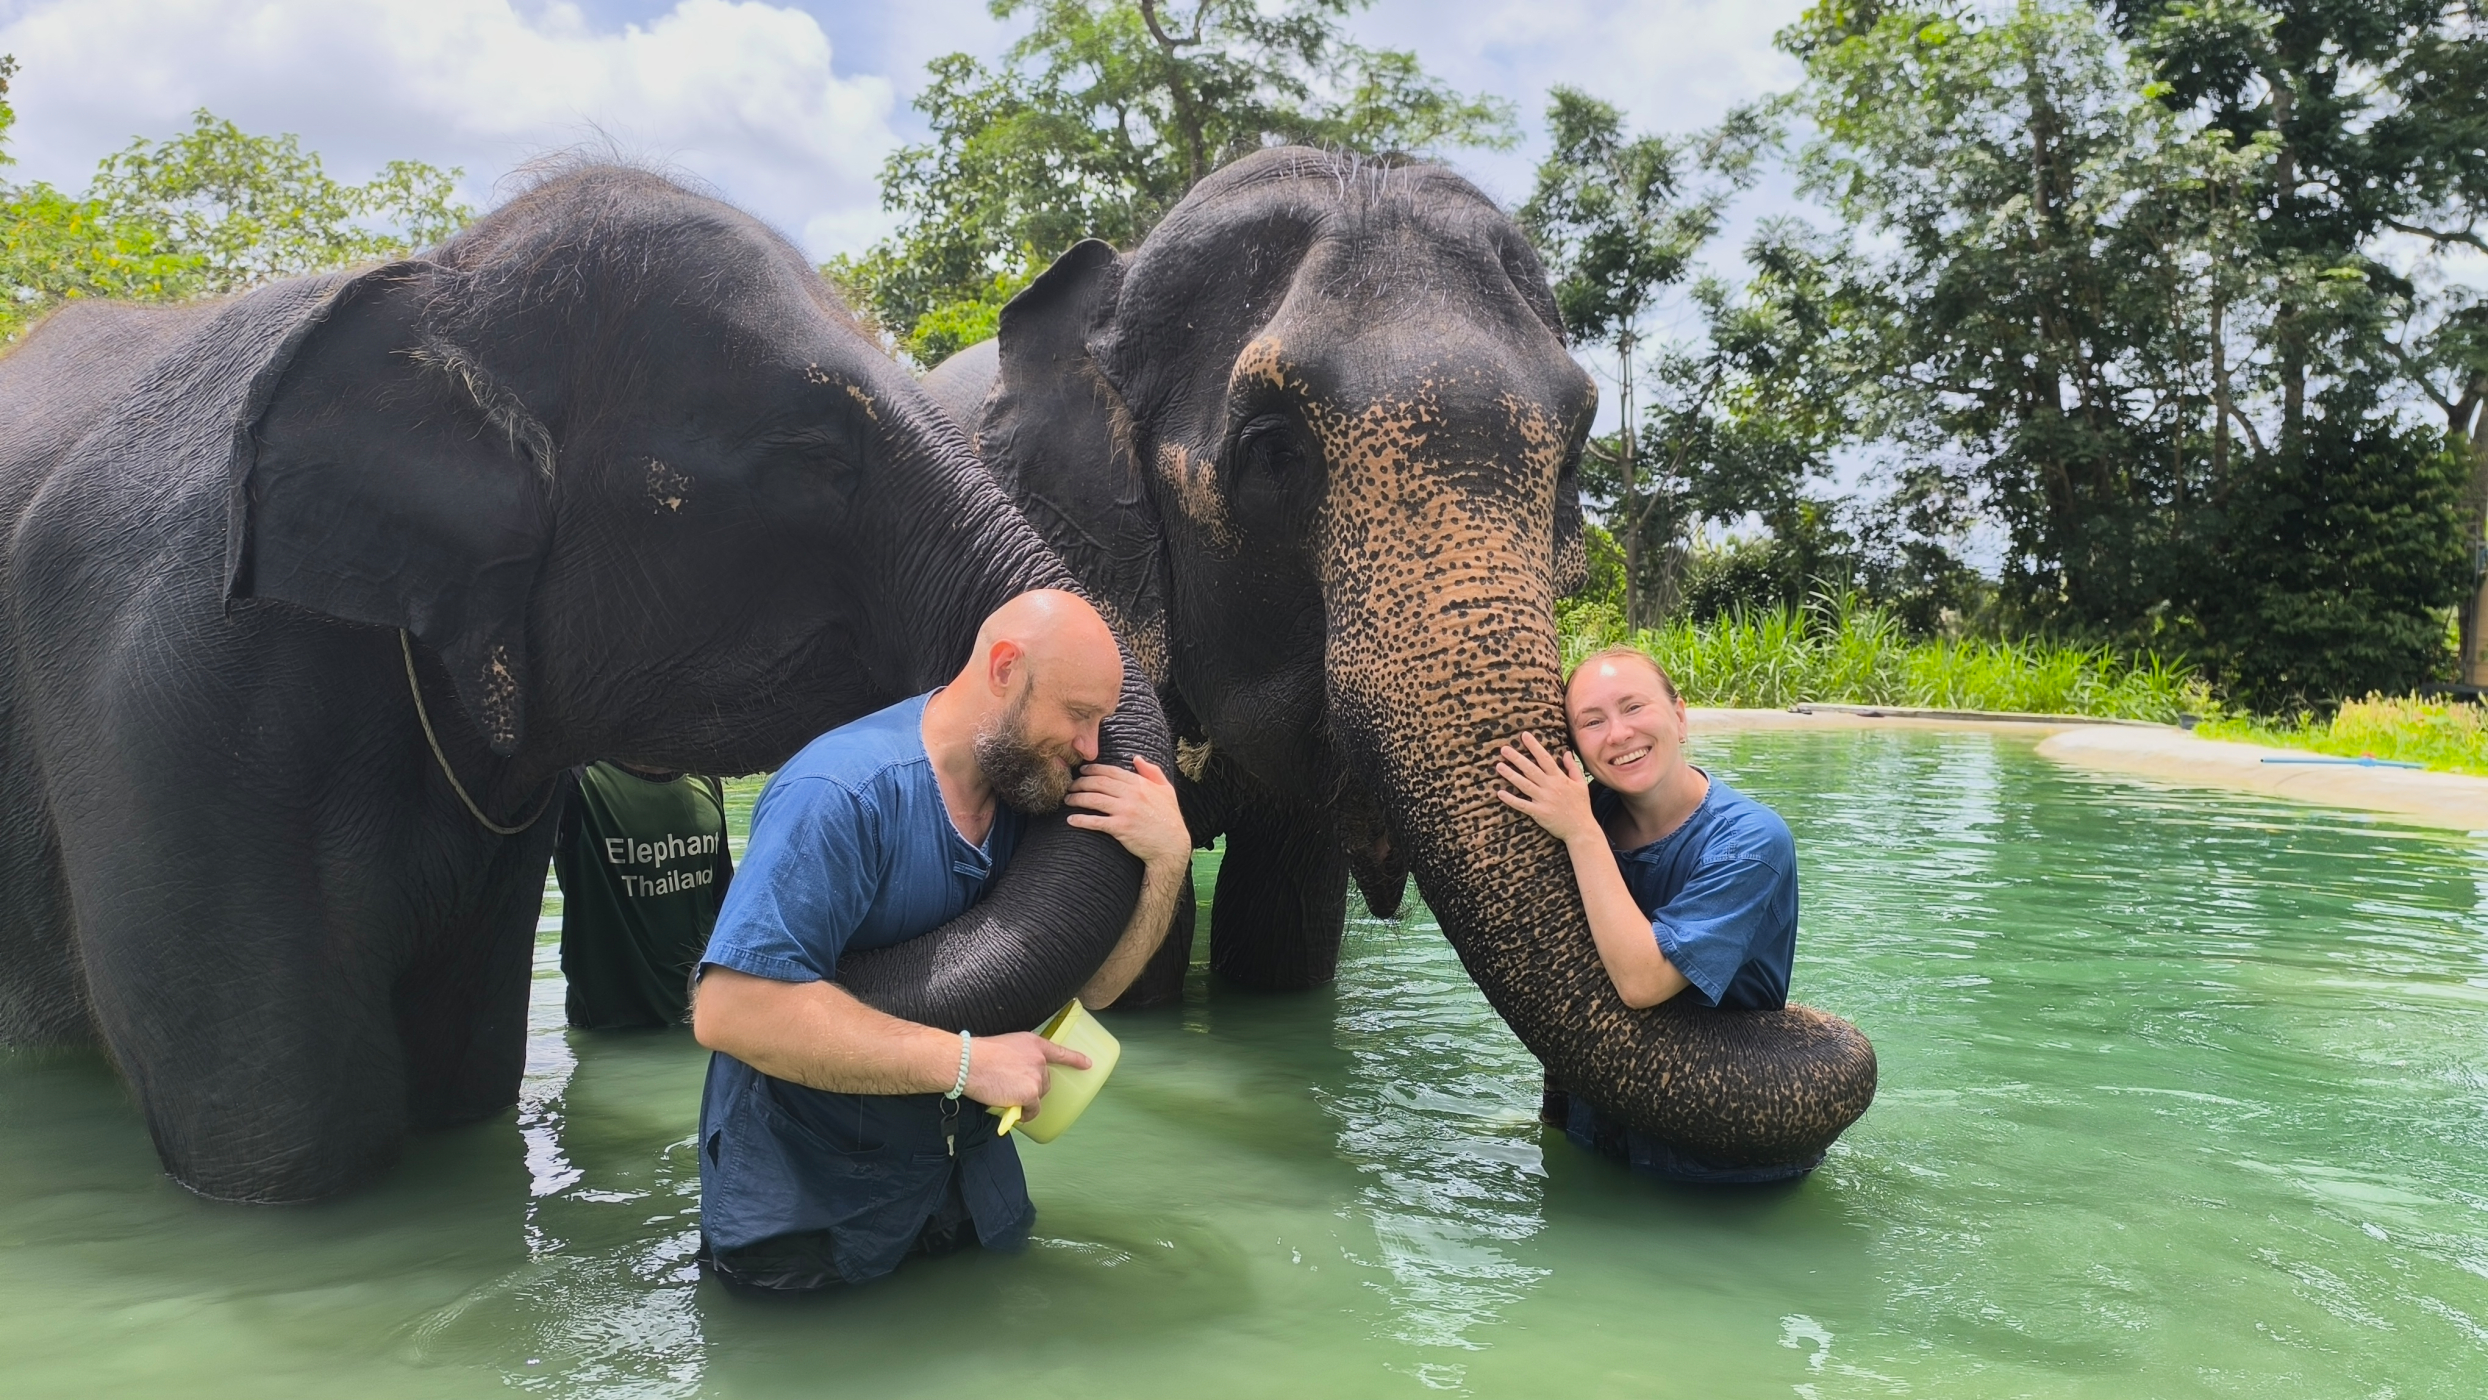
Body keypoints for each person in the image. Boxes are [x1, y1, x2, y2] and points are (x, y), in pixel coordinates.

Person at [689, 590, 1192, 1290]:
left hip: (968, 1203)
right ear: (1005, 669)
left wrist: (1170, 860)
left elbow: (1099, 986)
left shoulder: (1033, 795)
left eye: (1103, 722)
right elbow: (730, 1010)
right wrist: (964, 1063)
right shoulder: (840, 794)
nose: (1089, 746)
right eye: (1079, 715)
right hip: (812, 1228)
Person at [1492, 645, 1804, 1183]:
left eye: (1633, 707)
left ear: (1679, 716)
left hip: (1714, 1160)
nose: (1618, 734)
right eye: (1592, 722)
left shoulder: (1751, 842)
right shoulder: (1582, 812)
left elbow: (1642, 982)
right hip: (1596, 1139)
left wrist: (1581, 832)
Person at [552, 761, 733, 1030]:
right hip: (608, 1032)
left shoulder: (704, 776)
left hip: (704, 1022)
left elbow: (724, 901)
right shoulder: (577, 781)